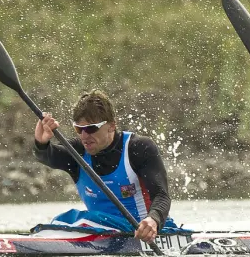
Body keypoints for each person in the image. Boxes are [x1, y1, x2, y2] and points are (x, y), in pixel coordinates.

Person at [33, 89, 177, 243]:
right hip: (100, 229)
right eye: (79, 129)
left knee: (83, 219)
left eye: (91, 128)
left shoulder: (138, 148)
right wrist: (41, 144)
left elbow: (161, 196)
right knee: (61, 220)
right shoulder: (77, 152)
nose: (84, 136)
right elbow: (49, 156)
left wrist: (153, 220)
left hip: (142, 230)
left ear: (111, 126)